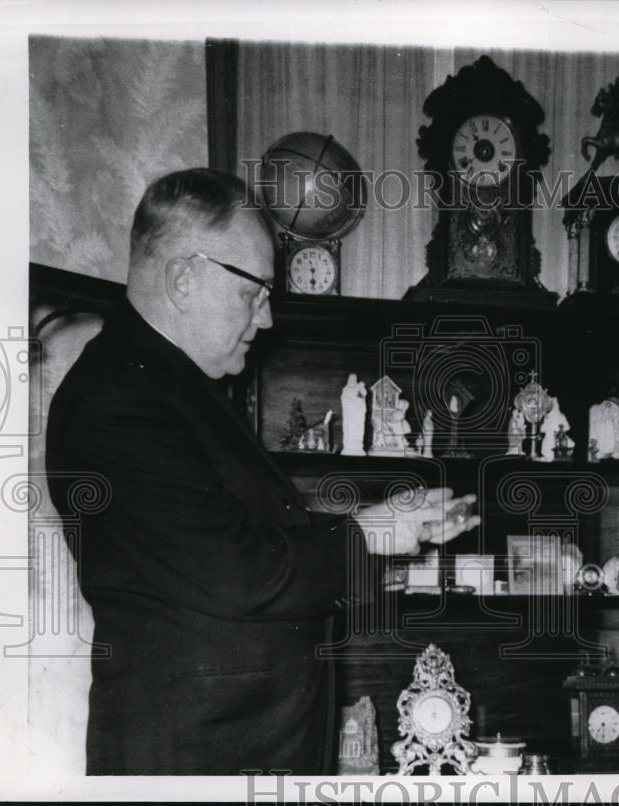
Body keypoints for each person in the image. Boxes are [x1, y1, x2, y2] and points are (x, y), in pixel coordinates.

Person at [45, 168, 479, 776]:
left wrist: (387, 524)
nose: (268, 318)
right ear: (184, 278)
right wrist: (375, 531)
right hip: (194, 762)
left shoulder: (168, 388)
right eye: (254, 291)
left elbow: (235, 542)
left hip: (232, 752)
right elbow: (237, 571)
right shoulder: (118, 402)